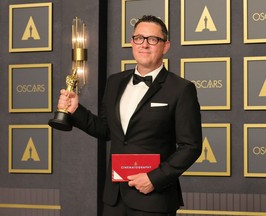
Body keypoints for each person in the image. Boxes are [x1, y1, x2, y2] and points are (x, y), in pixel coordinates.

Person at [57, 15, 202, 216]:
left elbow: (191, 146)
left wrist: (154, 179)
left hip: (154, 200)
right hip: (114, 199)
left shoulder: (181, 89)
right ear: (132, 43)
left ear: (165, 46)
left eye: (153, 39)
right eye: (139, 38)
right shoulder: (115, 82)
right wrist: (75, 110)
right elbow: (107, 130)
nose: (144, 45)